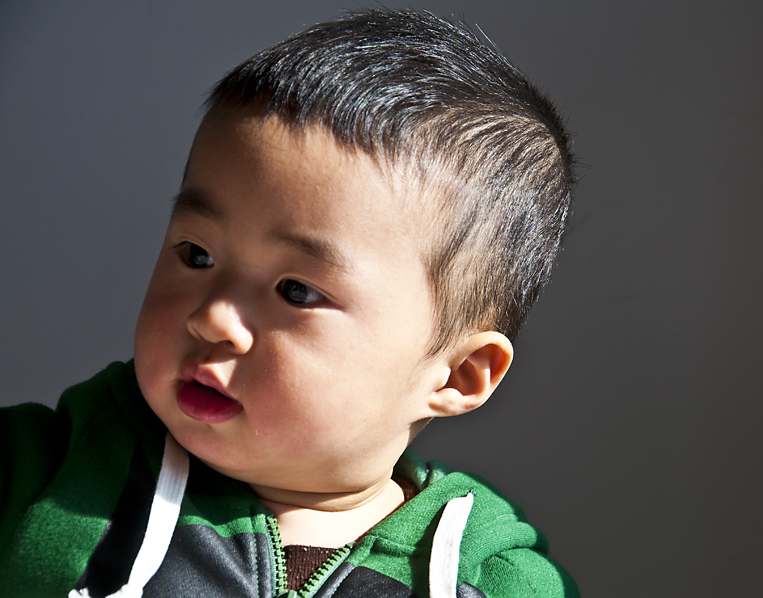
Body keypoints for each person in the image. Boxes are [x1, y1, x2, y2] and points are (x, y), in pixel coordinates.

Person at [0, 8, 578, 597]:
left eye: (297, 292)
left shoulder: (485, 579)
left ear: (458, 373)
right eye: (197, 254)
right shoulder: (45, 474)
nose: (212, 317)